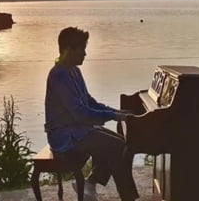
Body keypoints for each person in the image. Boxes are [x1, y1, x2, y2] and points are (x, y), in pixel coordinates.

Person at [45, 27, 138, 201]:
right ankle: (128, 197)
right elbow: (80, 113)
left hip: (78, 129)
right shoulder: (59, 76)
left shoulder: (73, 70)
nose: (85, 53)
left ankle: (91, 183)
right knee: (116, 147)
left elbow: (89, 102)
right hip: (64, 136)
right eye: (82, 48)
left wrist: (115, 111)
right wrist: (114, 116)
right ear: (69, 49)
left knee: (123, 143)